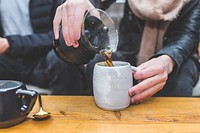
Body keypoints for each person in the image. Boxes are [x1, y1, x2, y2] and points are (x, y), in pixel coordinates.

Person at [53, 0, 200, 104]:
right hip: (130, 53)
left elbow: (188, 34)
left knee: (180, 77)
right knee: (99, 63)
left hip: (179, 57)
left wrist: (168, 60)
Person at [0, 0, 87, 95]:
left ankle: (67, 108)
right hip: (10, 61)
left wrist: (10, 44)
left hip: (43, 59)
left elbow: (59, 36)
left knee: (61, 58)